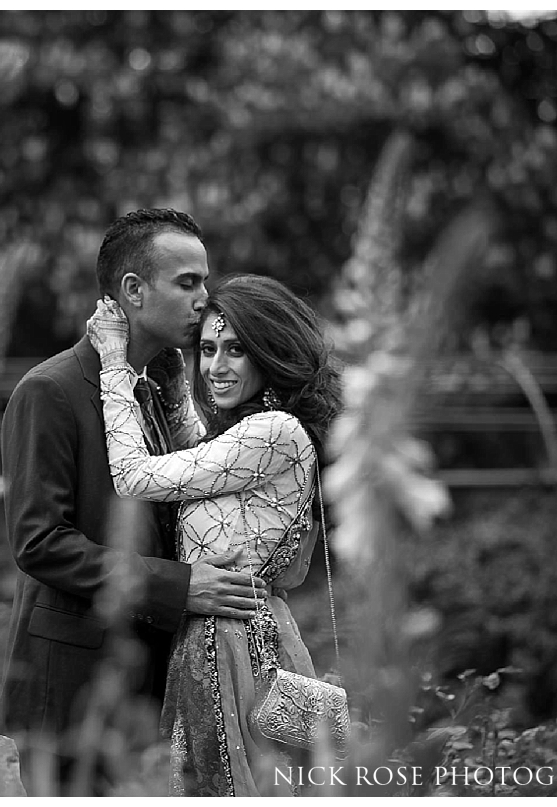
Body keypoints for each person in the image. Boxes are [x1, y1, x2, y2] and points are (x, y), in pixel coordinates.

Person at [0, 209, 267, 794]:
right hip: (70, 695)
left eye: (205, 282)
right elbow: (39, 542)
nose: (204, 300)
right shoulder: (50, 390)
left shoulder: (157, 391)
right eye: (187, 282)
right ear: (133, 291)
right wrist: (178, 586)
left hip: (146, 685)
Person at [86, 273, 343, 796]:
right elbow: (192, 455)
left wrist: (114, 361)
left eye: (236, 351)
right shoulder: (247, 432)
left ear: (271, 353)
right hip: (215, 632)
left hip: (240, 642)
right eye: (207, 349)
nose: (216, 367)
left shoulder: (273, 431)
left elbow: (135, 475)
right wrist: (174, 371)